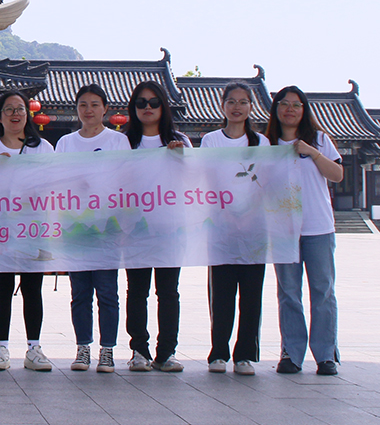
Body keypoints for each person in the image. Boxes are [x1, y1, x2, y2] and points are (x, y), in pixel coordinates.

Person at [267, 85, 344, 376]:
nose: (290, 109)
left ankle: (326, 354)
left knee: (323, 291)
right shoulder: (266, 144)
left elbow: (337, 174)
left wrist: (311, 152)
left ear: (304, 109)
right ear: (276, 108)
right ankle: (291, 353)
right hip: (282, 229)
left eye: (296, 105)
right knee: (288, 292)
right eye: (284, 104)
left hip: (318, 227)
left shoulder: (320, 140)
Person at [55, 84, 129, 374]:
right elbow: (56, 183)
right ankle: (83, 347)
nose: (89, 110)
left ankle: (107, 350)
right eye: (83, 104)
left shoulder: (118, 142)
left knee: (108, 292)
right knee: (80, 293)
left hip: (107, 227)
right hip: (75, 228)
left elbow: (125, 184)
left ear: (105, 109)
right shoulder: (65, 143)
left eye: (95, 104)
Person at [0, 92, 54, 372]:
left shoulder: (43, 148)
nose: (15, 114)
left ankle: (34, 347)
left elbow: (53, 186)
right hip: (0, 230)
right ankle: (1, 348)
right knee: (2, 288)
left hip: (34, 228)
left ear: (27, 114)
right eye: (8, 109)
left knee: (33, 289)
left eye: (20, 109)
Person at [200, 83, 270, 376]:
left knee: (252, 295)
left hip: (254, 229)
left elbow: (265, 182)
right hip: (221, 227)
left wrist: (248, 213)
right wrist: (228, 213)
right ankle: (218, 352)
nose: (237, 107)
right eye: (231, 101)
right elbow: (207, 179)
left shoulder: (261, 143)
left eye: (243, 102)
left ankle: (245, 355)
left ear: (251, 107)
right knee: (222, 294)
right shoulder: (211, 140)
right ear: (222, 106)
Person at [123, 80, 191, 373]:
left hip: (170, 228)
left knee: (168, 292)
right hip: (135, 228)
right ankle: (139, 349)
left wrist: (181, 160)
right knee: (137, 291)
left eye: (153, 102)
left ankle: (167, 352)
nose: (147, 108)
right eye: (141, 103)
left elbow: (194, 182)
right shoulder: (125, 143)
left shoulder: (179, 141)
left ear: (163, 106)